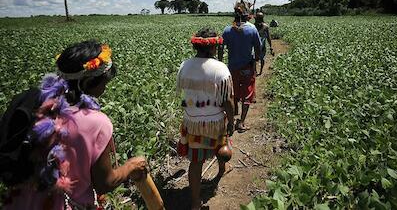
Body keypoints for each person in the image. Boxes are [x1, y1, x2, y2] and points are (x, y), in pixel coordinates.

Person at [3, 40, 147, 209]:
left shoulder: (32, 103)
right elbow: (105, 183)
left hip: (19, 203)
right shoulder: (97, 122)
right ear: (86, 83)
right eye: (104, 83)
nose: (105, 88)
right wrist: (131, 166)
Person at [176, 28, 234, 210]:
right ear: (214, 46)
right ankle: (222, 169)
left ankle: (194, 202)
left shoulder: (184, 66)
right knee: (222, 147)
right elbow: (228, 100)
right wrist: (231, 120)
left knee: (196, 162)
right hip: (214, 122)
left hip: (192, 121)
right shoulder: (220, 68)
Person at [218, 2, 261, 133]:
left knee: (234, 92)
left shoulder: (227, 30)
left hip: (232, 68)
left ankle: (233, 115)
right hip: (247, 67)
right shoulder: (252, 29)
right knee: (247, 94)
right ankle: (241, 122)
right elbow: (258, 48)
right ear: (246, 14)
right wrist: (256, 59)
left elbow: (220, 47)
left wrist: (220, 62)